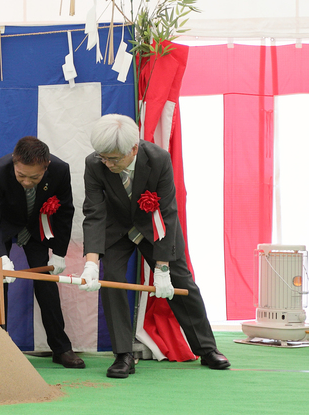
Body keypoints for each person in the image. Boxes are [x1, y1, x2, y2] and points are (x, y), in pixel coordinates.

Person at [79, 114, 230, 378]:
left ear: (133, 148)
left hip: (156, 225)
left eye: (113, 158)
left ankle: (206, 349)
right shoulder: (94, 163)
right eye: (103, 157)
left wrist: (162, 268)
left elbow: (167, 212)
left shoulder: (158, 158)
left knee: (181, 281)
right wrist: (91, 262)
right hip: (116, 229)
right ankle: (124, 354)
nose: (107, 163)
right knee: (112, 279)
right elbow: (94, 212)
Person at [0, 136, 84, 369]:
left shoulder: (60, 170)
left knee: (45, 282)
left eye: (35, 177)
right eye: (21, 176)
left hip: (36, 225)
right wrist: (1, 258)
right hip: (2, 225)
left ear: (46, 166)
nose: (27, 182)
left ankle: (61, 348)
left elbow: (65, 211)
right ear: (14, 162)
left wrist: (59, 252)